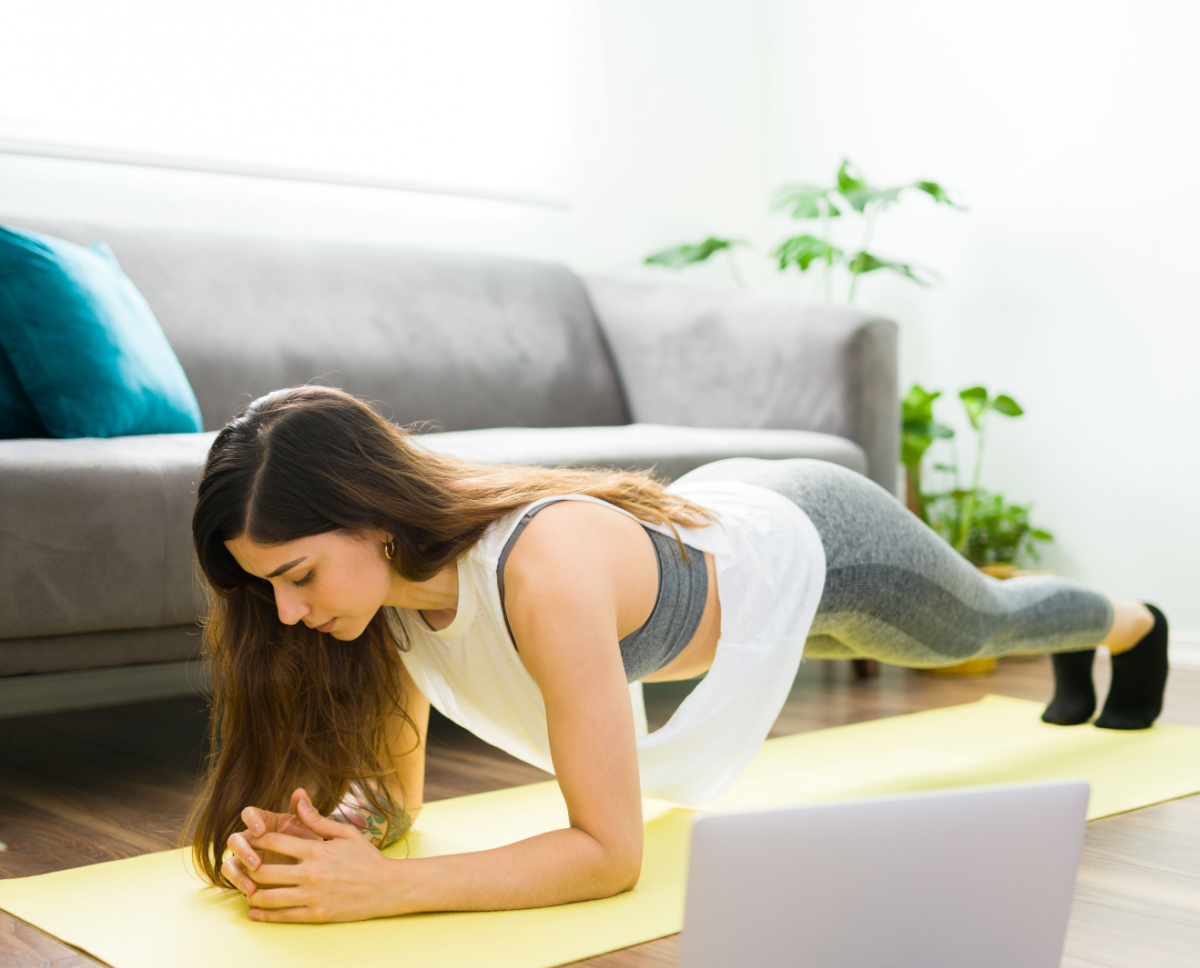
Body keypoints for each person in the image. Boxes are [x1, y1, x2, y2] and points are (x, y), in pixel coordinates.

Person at [185, 386, 1169, 924]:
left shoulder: (543, 570)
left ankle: (1132, 624)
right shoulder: (379, 604)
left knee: (984, 626)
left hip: (817, 540)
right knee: (981, 627)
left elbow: (609, 855)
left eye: (299, 574)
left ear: (368, 516)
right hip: (716, 517)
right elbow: (399, 798)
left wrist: (387, 890)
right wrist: (316, 840)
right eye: (264, 584)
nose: (285, 609)